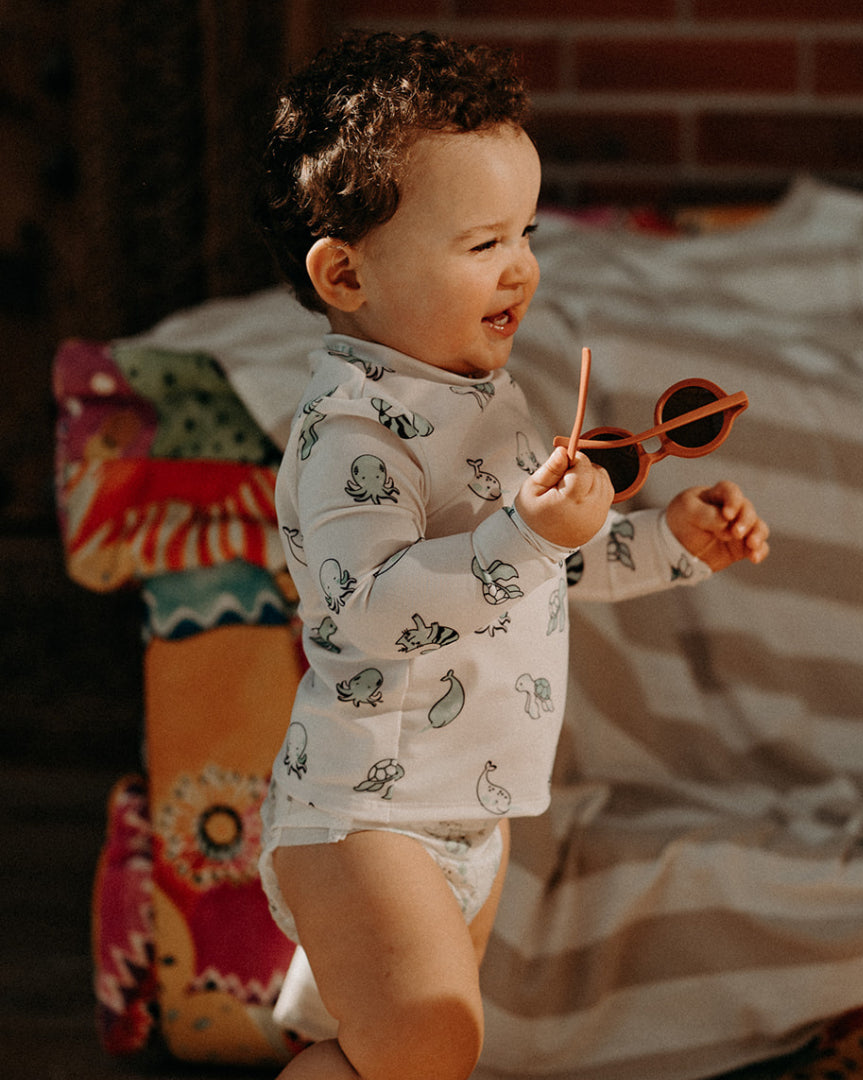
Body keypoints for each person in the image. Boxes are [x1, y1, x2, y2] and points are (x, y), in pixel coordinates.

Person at [255, 29, 770, 1080]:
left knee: (397, 1061)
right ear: (346, 273)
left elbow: (546, 565)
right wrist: (530, 532)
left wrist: (666, 542)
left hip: (473, 801)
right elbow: (372, 609)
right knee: (429, 1044)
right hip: (365, 808)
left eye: (526, 230)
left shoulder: (489, 404)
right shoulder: (355, 434)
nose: (521, 267)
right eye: (481, 242)